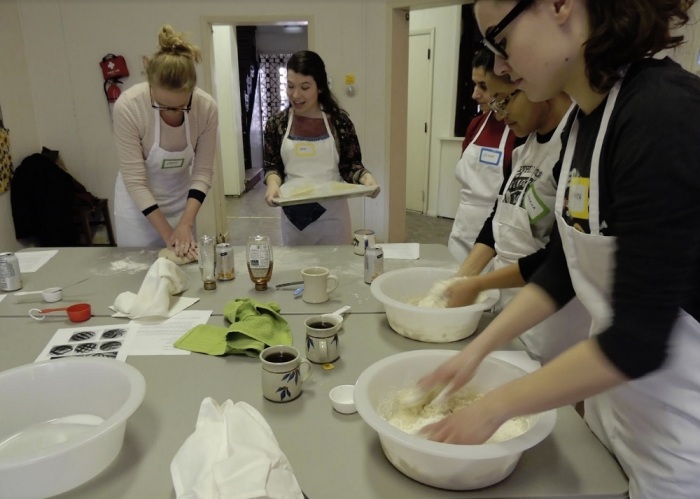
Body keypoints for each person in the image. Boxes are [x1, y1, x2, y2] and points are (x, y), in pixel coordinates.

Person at [419, 1, 700, 497]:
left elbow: (638, 340)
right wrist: (476, 353)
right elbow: (566, 268)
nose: (501, 67)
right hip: (613, 415)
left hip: (680, 438)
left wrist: (494, 406)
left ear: (559, 5)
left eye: (500, 42)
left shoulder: (661, 113)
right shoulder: (583, 123)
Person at [447, 67, 590, 363]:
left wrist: (479, 284)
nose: (499, 114)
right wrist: (464, 276)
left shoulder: (574, 150)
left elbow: (561, 257)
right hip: (508, 295)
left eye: (504, 100)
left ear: (537, 88)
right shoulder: (524, 148)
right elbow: (498, 217)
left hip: (550, 312)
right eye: (494, 102)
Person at [113, 25, 218, 259]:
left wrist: (185, 224)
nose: (172, 113)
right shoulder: (130, 106)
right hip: (138, 212)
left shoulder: (206, 107)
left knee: (184, 274)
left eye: (181, 106)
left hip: (183, 205)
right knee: (139, 273)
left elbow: (202, 172)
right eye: (163, 106)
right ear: (151, 87)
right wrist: (167, 233)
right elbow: (136, 182)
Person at [263, 50, 379, 246]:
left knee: (337, 272)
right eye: (290, 86)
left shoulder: (339, 123)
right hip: (295, 220)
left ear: (320, 88)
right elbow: (272, 165)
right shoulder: (277, 124)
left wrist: (366, 178)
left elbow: (350, 165)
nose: (296, 95)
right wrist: (273, 184)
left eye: (305, 87)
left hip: (333, 220)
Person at [447, 48, 518, 263]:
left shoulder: (519, 130)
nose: (474, 94)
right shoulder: (476, 125)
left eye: (484, 86)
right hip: (462, 229)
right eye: (474, 84)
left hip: (496, 237)